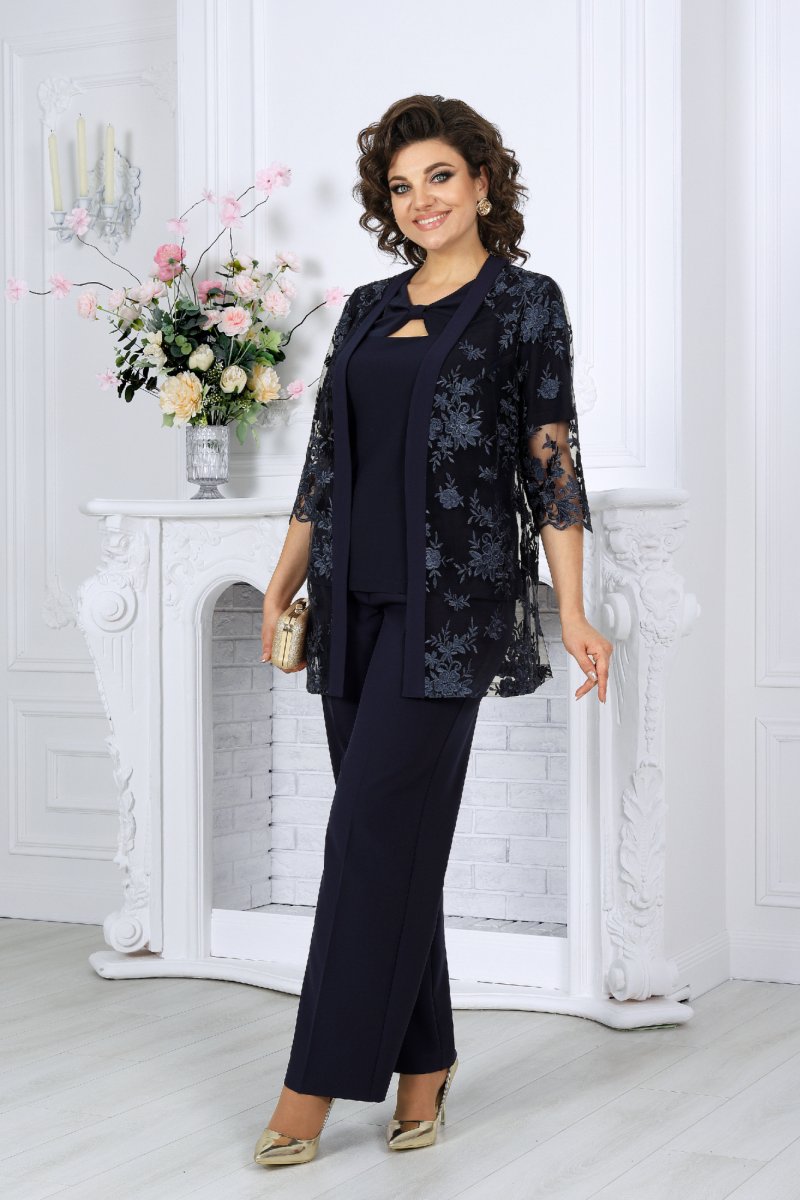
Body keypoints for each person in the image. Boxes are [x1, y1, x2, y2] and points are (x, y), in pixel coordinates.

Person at [253, 94, 613, 1166]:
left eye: (440, 177)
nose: (421, 201)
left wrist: (571, 607)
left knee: (366, 836)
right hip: (348, 605)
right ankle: (425, 1066)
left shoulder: (526, 304)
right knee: (394, 845)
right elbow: (323, 463)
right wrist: (282, 581)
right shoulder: (366, 308)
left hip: (452, 611)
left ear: (483, 183)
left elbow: (551, 461)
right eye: (402, 187)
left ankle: (310, 1088)